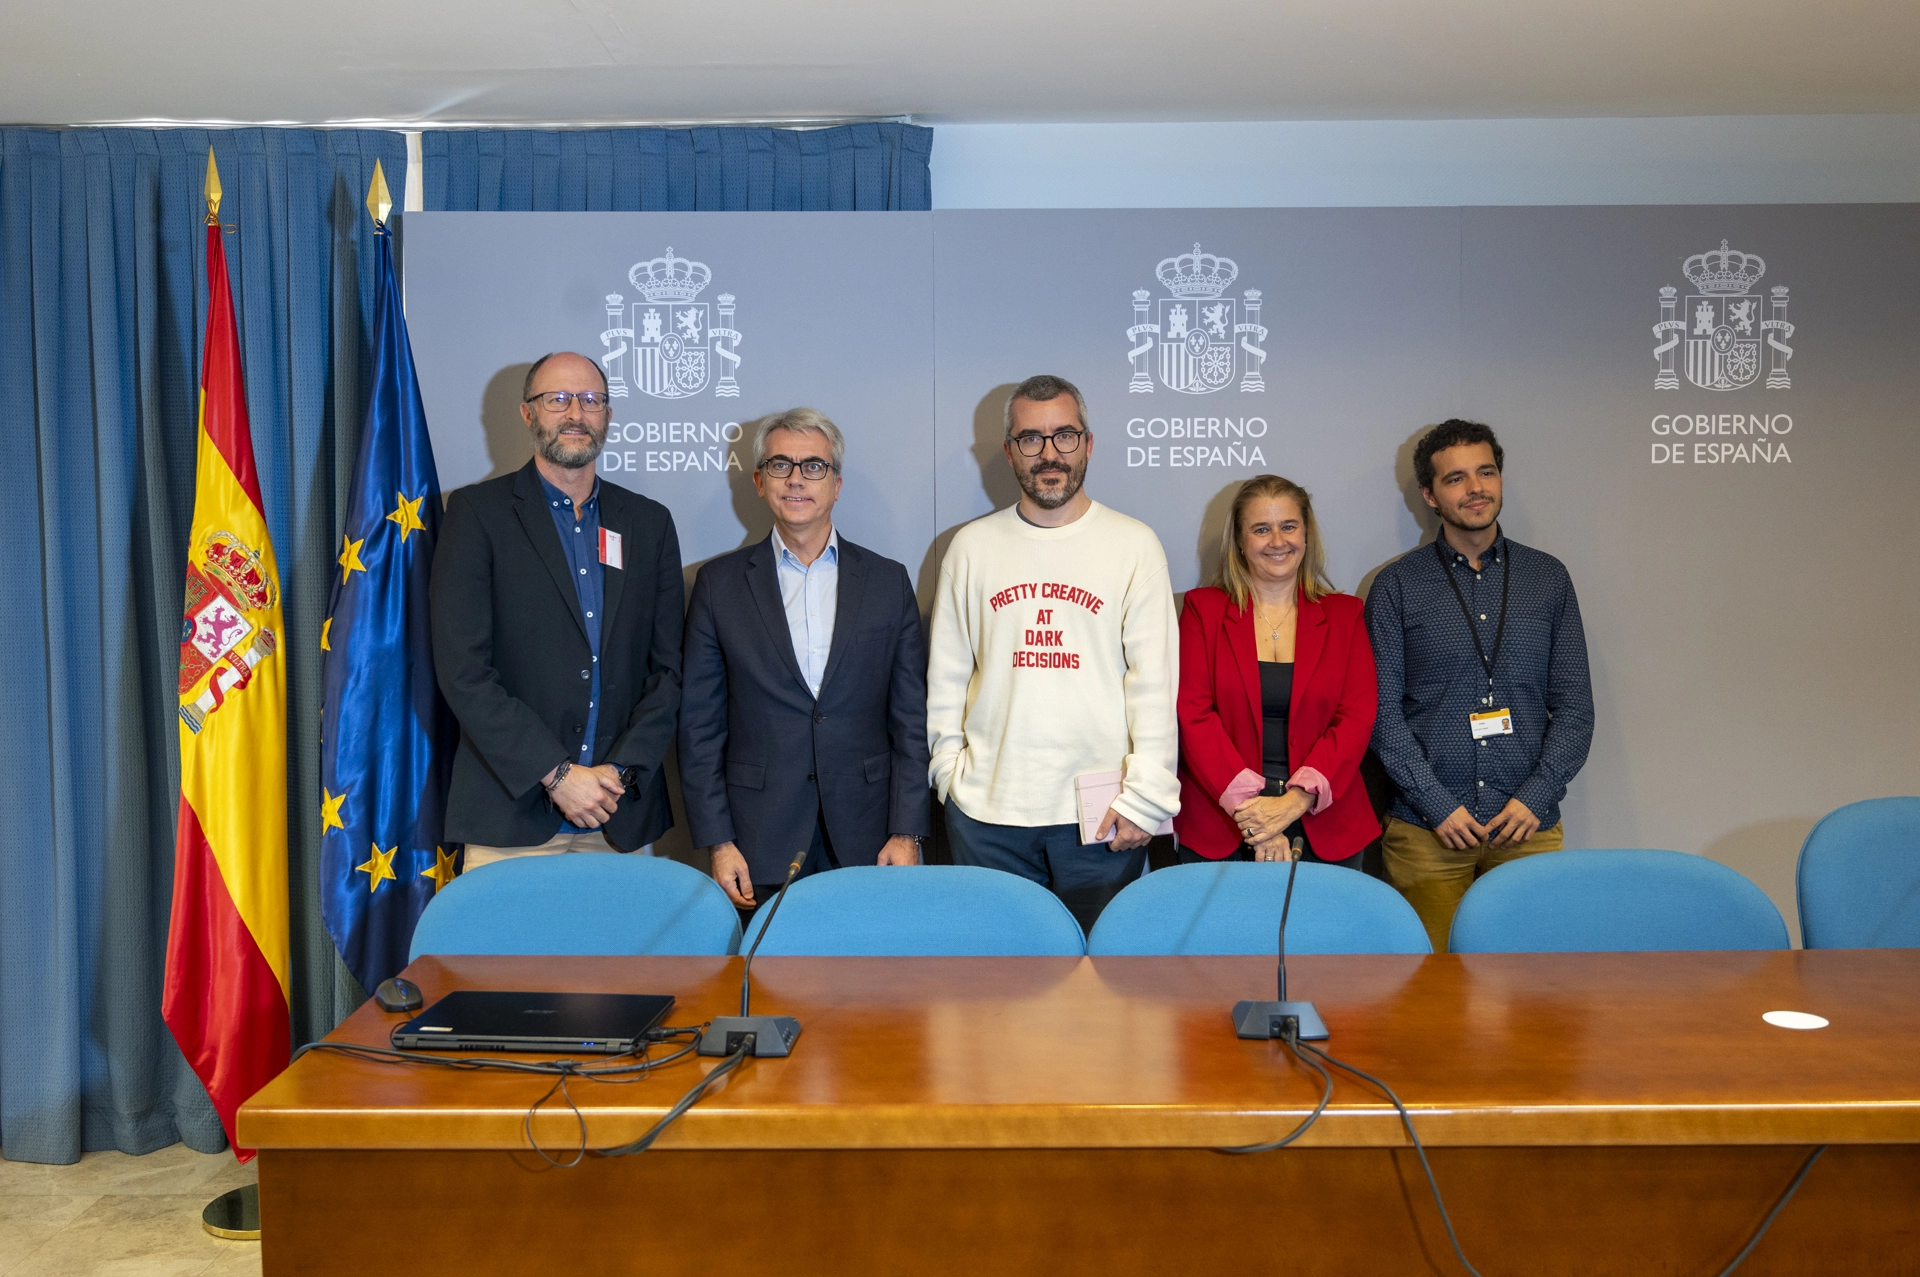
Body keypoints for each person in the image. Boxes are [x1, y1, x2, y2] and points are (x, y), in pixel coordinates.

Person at [926, 374, 1179, 932]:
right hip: (987, 815)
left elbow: (1155, 686)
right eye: (1030, 439)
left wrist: (1147, 797)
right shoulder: (970, 548)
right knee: (997, 989)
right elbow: (946, 677)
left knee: (1098, 994)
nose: (1049, 453)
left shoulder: (1134, 545)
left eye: (1064, 436)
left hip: (1102, 817)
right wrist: (949, 776)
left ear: (1088, 443)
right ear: (1009, 451)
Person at [430, 351, 684, 868]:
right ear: (528, 413)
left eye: (591, 400)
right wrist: (559, 775)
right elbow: (464, 671)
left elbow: (670, 672)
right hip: (512, 812)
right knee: (504, 954)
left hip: (619, 813)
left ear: (608, 416)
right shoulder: (477, 515)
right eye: (557, 399)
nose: (575, 413)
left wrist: (620, 774)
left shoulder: (648, 523)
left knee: (620, 953)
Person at [679, 408, 929, 915]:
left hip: (869, 838)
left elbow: (911, 721)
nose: (796, 479)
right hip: (757, 840)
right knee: (771, 987)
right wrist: (718, 842)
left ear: (836, 484)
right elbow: (700, 726)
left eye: (813, 466)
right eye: (780, 465)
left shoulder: (887, 582)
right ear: (758, 481)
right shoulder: (719, 585)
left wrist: (907, 832)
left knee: (867, 988)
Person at [1366, 418, 1594, 951]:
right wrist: (1436, 805)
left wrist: (1537, 797)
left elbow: (1576, 707)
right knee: (1429, 994)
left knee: (1529, 993)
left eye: (1486, 472)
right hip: (1427, 832)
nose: (1475, 489)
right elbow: (1379, 713)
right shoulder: (1397, 586)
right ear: (1429, 493)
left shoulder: (1548, 579)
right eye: (1456, 478)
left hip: (1527, 828)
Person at [1174, 475, 1378, 868]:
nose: (1278, 541)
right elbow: (1194, 715)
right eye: (1261, 529)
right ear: (1238, 540)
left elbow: (1356, 716)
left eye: (1289, 526)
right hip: (1224, 823)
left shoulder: (1344, 615)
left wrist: (1294, 802)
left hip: (1326, 821)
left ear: (1306, 533)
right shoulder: (1204, 611)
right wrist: (1259, 819)